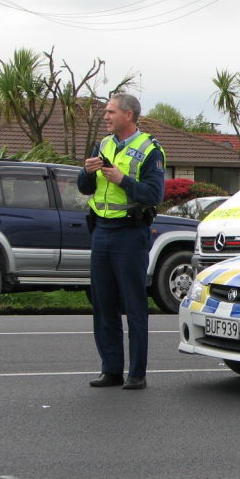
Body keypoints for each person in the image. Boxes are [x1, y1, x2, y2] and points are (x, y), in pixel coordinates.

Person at [78, 94, 165, 390]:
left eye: (111, 111)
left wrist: (122, 180)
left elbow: (154, 195)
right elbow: (86, 187)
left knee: (133, 303)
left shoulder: (150, 150)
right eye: (106, 112)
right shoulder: (103, 144)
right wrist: (86, 173)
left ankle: (136, 374)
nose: (106, 116)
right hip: (101, 231)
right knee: (103, 304)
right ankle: (111, 369)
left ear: (128, 115)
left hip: (129, 233)